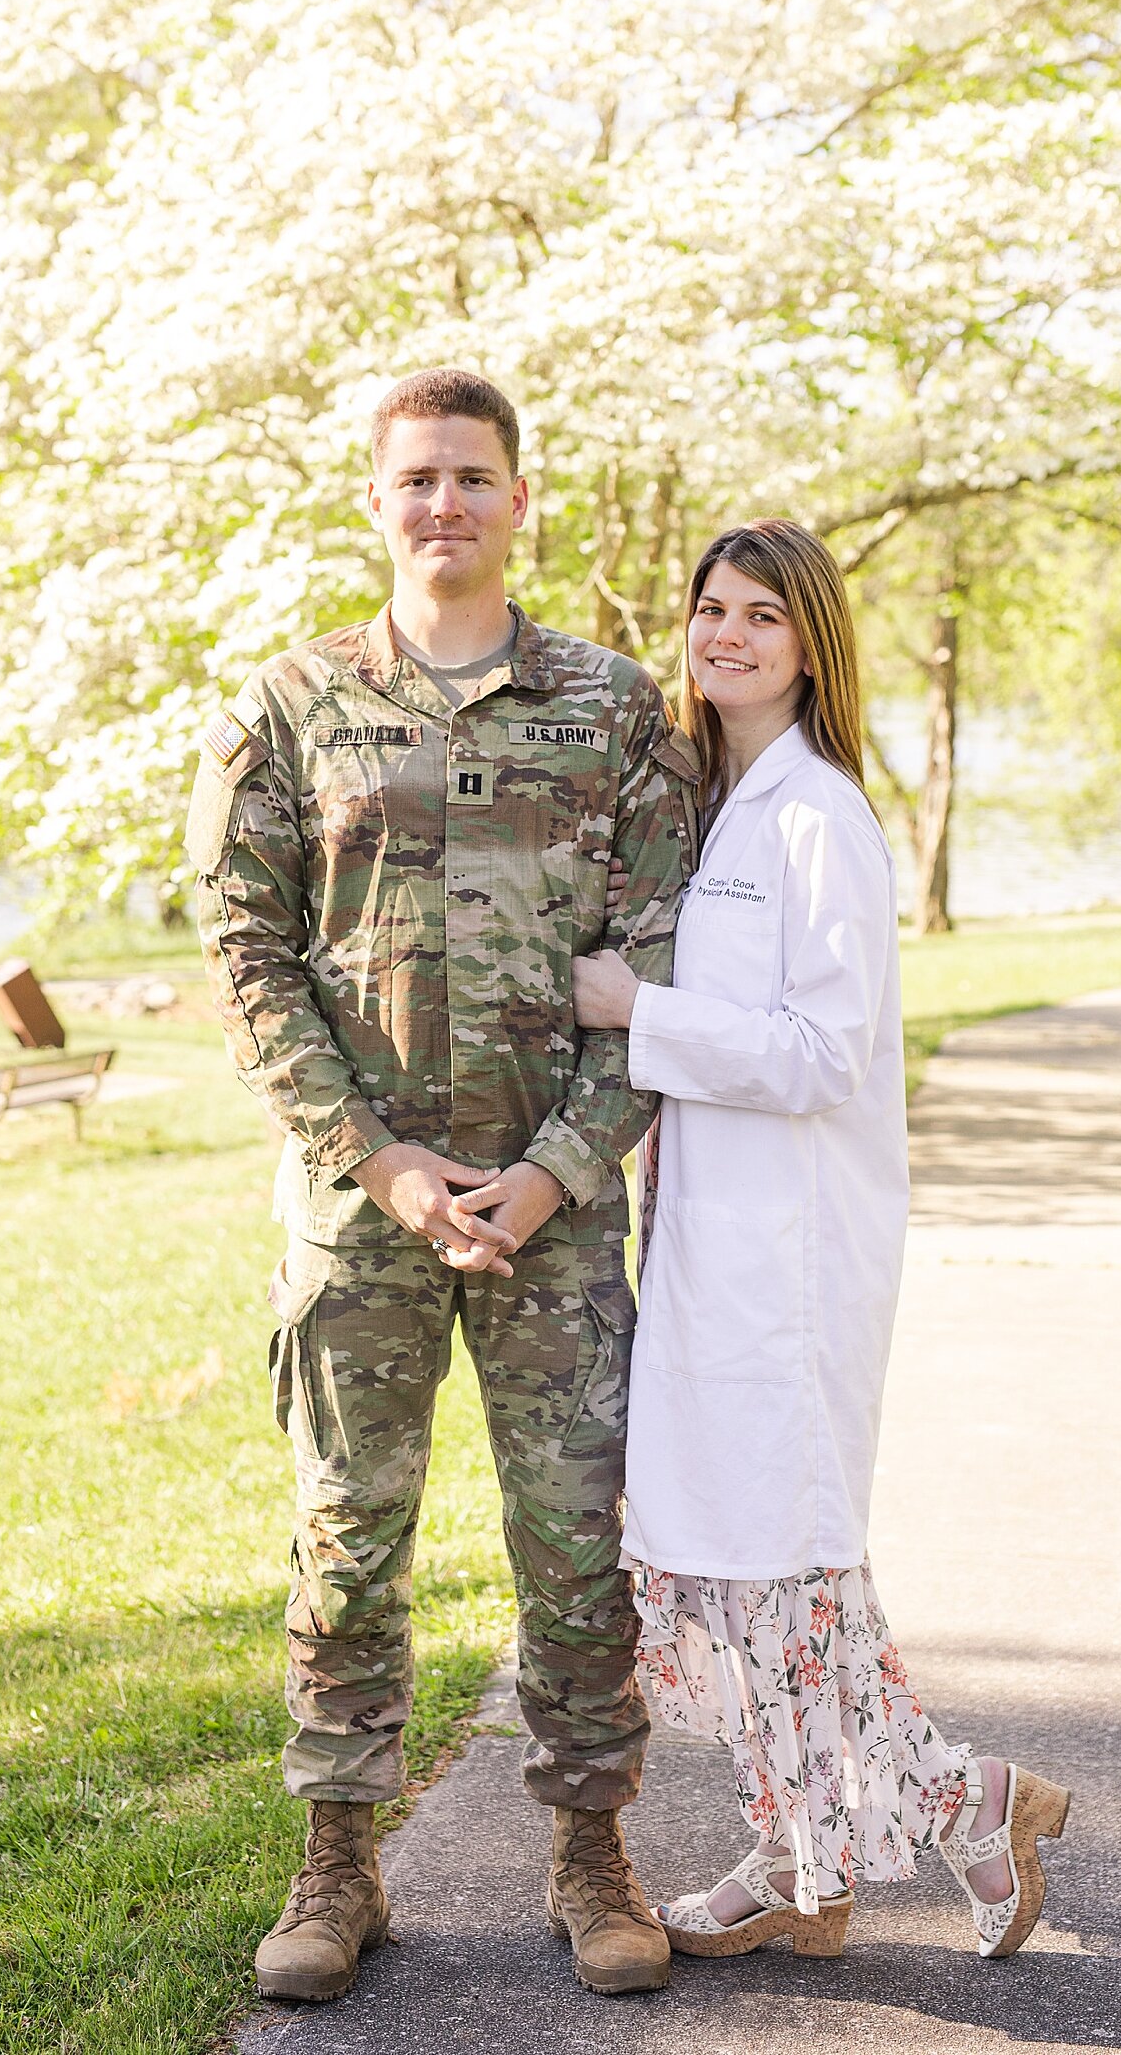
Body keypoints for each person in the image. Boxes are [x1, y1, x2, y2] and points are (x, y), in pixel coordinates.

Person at [187, 368, 699, 2003]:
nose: (446, 507)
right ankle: (340, 1868)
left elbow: (667, 958)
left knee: (575, 1541)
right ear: (377, 502)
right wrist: (384, 1160)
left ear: (518, 498)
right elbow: (248, 959)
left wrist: (555, 1172)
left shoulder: (615, 710)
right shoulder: (291, 706)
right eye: (417, 481)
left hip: (558, 1217)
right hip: (361, 1212)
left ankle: (590, 1850)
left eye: (473, 478)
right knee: (347, 1539)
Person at [572, 519, 1071, 1961]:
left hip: (788, 1274)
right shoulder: (722, 805)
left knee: (776, 1568)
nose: (724, 634)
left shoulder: (818, 818)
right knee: (717, 1564)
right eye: (708, 609)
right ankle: (812, 1858)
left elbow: (824, 1052)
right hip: (710, 1251)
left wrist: (635, 1012)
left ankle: (956, 1805)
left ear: (812, 645)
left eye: (760, 617)